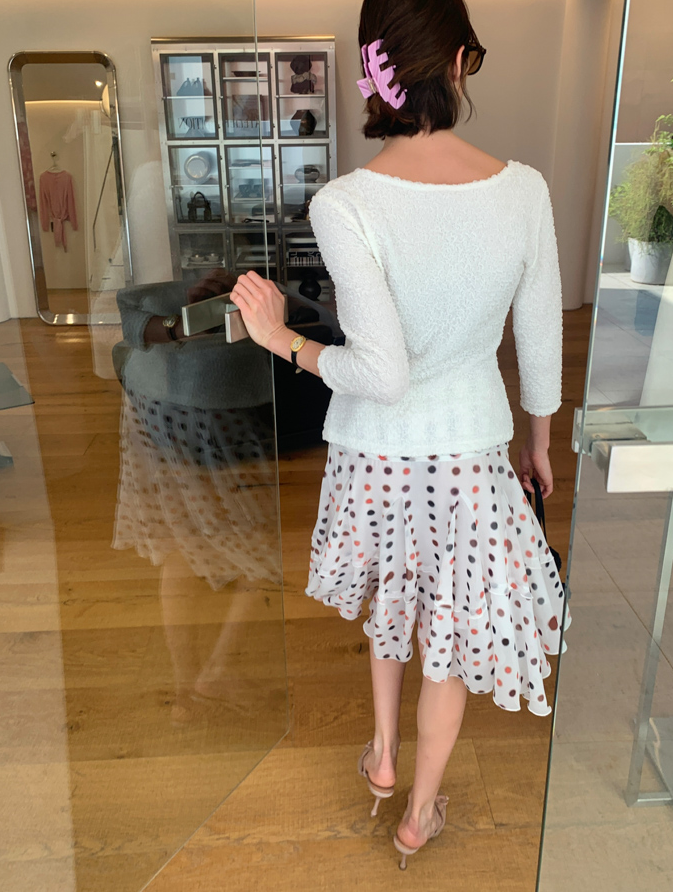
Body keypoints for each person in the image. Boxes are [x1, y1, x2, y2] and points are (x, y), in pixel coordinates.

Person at [230, 0, 570, 870]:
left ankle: (382, 756)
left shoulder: (346, 203)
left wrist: (283, 341)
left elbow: (378, 374)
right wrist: (539, 441)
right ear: (457, 62)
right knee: (444, 637)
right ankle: (419, 814)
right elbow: (539, 337)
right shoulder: (524, 190)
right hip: (469, 455)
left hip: (376, 455)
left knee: (394, 600)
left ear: (373, 68)